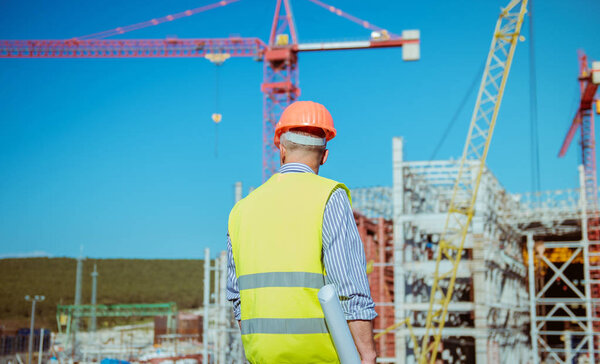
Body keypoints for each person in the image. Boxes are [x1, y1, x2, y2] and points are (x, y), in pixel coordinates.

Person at [226, 101, 377, 363]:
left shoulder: (241, 210)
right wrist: (367, 354)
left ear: (281, 149)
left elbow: (237, 297)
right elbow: (350, 288)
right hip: (320, 356)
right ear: (325, 155)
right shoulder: (329, 197)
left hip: (260, 357)